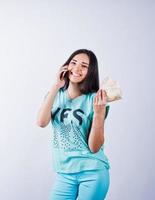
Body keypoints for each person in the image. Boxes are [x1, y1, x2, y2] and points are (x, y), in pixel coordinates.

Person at [36, 49, 111, 200]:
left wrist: (98, 114)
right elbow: (41, 122)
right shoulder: (54, 95)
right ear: (66, 66)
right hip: (64, 173)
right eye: (73, 63)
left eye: (84, 66)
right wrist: (56, 85)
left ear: (91, 72)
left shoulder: (95, 100)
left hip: (93, 172)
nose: (77, 68)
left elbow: (94, 147)